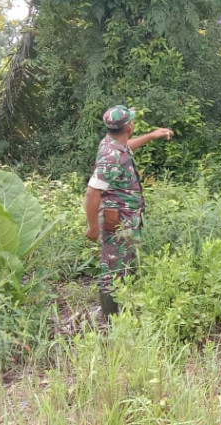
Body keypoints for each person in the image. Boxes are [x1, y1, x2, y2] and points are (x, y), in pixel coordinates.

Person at [85, 105, 174, 319]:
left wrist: (152, 136)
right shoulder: (111, 156)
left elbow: (127, 148)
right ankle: (109, 321)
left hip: (127, 220)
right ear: (129, 126)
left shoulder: (113, 145)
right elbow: (92, 192)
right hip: (118, 222)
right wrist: (93, 227)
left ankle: (122, 310)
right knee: (112, 270)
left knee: (124, 265)